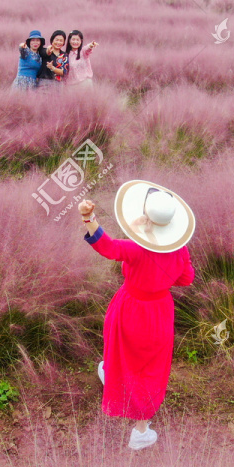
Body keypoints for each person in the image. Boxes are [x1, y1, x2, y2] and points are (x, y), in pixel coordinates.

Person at [78, 180, 196, 451]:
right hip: (159, 311)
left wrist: (88, 217)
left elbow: (107, 246)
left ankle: (139, 426)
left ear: (147, 217)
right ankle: (140, 427)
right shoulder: (179, 250)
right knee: (149, 365)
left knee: (120, 345)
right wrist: (162, 279)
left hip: (130, 305)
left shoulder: (136, 248)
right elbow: (186, 278)